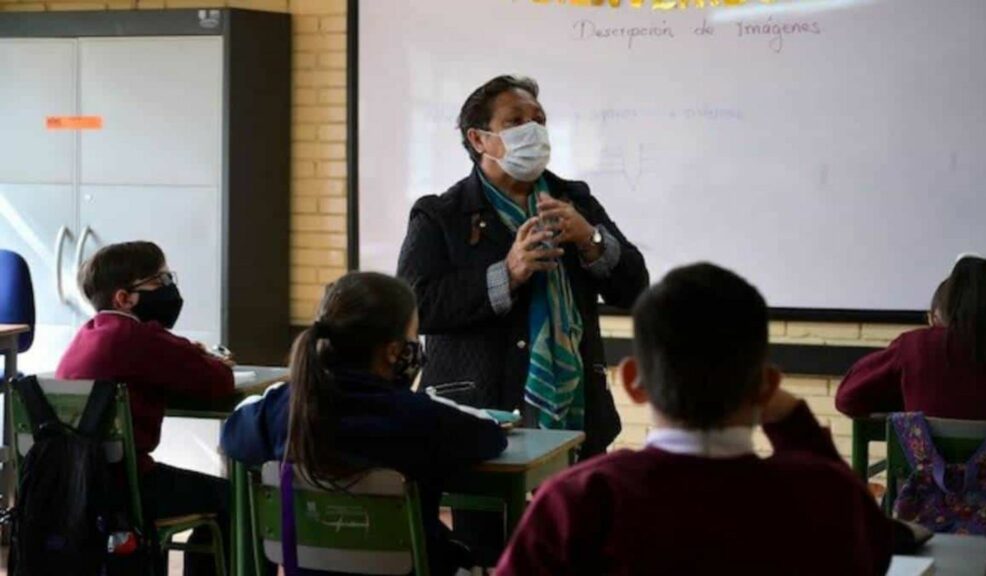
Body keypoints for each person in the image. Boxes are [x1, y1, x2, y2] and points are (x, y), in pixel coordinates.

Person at [495, 262, 895, 575]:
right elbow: (875, 551)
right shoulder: (825, 494)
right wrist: (795, 424)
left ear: (634, 383)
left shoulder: (581, 498)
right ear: (768, 386)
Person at [397, 74, 649, 456]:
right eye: (515, 122)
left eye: (539, 120)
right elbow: (417, 306)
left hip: (580, 417)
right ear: (478, 139)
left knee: (577, 516)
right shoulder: (441, 214)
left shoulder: (574, 200)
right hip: (477, 419)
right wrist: (507, 273)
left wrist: (589, 239)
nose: (533, 131)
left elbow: (635, 288)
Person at [220, 272, 508, 576]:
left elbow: (232, 434)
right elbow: (491, 436)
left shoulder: (281, 410)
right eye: (414, 337)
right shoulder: (423, 416)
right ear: (395, 351)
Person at [56, 241, 233, 576]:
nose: (169, 289)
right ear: (124, 299)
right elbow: (219, 381)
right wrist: (200, 357)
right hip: (125, 488)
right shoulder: (136, 337)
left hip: (73, 486)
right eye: (159, 281)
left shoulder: (88, 334)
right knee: (234, 499)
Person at [836, 256, 986, 419]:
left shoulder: (915, 346)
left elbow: (847, 398)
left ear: (943, 311)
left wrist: (909, 399)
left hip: (924, 461)